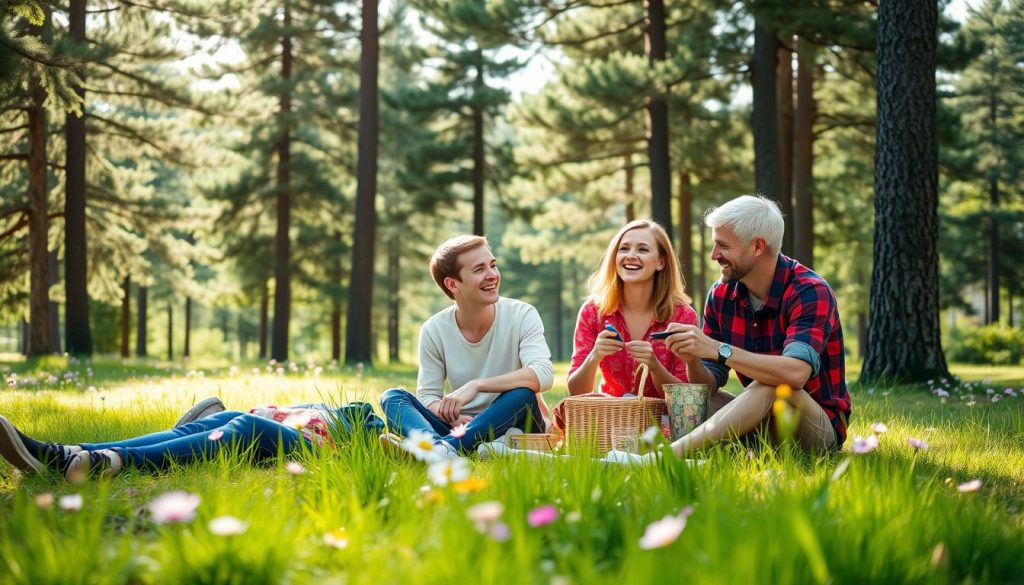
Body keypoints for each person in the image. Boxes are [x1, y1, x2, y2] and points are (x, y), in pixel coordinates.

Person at [663, 195, 851, 456]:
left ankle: (668, 456)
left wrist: (719, 349)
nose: (713, 255)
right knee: (694, 401)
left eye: (723, 246)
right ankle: (701, 450)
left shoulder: (809, 291)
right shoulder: (721, 295)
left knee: (773, 384)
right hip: (762, 419)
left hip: (815, 430)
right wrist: (693, 359)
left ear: (757, 246)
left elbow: (795, 374)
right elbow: (708, 386)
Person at [380, 235, 553, 457]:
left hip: (517, 424)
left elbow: (543, 374)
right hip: (460, 429)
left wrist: (477, 385)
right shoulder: (434, 329)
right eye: (479, 269)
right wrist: (447, 415)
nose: (492, 275)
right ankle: (440, 449)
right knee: (393, 397)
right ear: (452, 284)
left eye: (493, 265)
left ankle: (437, 451)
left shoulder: (522, 314)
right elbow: (428, 397)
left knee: (522, 394)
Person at [0, 401, 383, 481]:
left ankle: (110, 462)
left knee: (246, 425)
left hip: (314, 449)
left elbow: (361, 442)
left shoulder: (365, 414)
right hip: (275, 421)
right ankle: (70, 453)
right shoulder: (324, 402)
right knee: (216, 422)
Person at [567, 220, 698, 397]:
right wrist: (594, 356)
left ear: (661, 262)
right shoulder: (592, 311)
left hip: (663, 419)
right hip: (611, 416)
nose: (630, 255)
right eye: (624, 248)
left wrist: (655, 366)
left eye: (642, 249)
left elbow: (683, 398)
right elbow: (576, 392)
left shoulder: (683, 315)